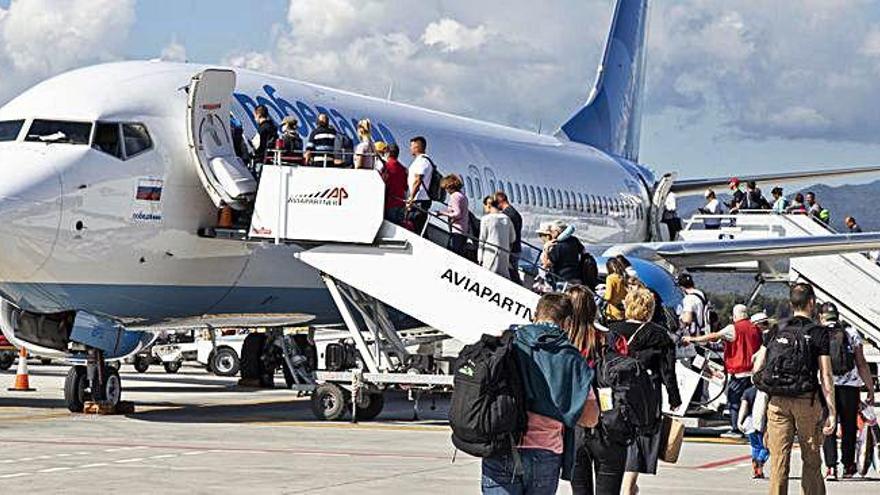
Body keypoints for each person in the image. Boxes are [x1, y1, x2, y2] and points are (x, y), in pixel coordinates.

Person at [481, 293, 598, 495]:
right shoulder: (570, 357)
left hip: (501, 444)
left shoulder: (508, 343)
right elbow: (591, 418)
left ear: (535, 315)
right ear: (568, 323)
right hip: (545, 450)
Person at [753, 283, 836, 495]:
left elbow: (758, 366)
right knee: (811, 458)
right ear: (812, 303)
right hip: (806, 401)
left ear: (791, 304)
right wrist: (832, 412)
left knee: (779, 460)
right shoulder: (819, 332)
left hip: (777, 401)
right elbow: (825, 374)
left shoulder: (776, 329)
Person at [611, 287, 682, 495]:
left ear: (627, 306)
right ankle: (627, 488)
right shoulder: (660, 336)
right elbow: (668, 371)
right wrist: (674, 397)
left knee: (616, 439)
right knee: (641, 440)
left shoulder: (612, 331)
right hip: (647, 396)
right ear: (649, 309)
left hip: (615, 394)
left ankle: (623, 487)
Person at [565, 285, 628, 495]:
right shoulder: (613, 339)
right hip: (610, 424)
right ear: (594, 308)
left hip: (573, 426)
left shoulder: (563, 342)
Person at [684, 304, 763, 439]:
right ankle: (751, 428)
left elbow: (714, 336)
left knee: (734, 402)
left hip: (738, 373)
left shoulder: (733, 328)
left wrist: (692, 339)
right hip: (753, 372)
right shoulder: (755, 328)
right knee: (750, 401)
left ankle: (735, 429)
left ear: (735, 315)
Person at [818, 302, 875, 480]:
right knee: (849, 427)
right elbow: (861, 363)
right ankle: (848, 466)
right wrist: (870, 388)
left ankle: (830, 467)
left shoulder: (818, 334)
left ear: (821, 316)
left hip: (827, 387)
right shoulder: (851, 333)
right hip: (850, 388)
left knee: (829, 426)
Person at [737, 385, 770, 479]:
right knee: (766, 446)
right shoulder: (767, 391)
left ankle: (756, 470)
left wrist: (739, 421)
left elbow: (743, 407)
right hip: (762, 423)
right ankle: (760, 462)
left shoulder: (748, 391)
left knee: (755, 446)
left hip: (749, 423)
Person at [539, 221, 585, 288]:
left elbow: (547, 264)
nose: (550, 234)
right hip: (576, 276)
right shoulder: (574, 240)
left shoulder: (557, 245)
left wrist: (546, 249)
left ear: (556, 232)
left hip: (562, 279)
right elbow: (583, 251)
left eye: (551, 231)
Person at [479, 196, 516, 277]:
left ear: (488, 205)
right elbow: (513, 238)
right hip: (504, 254)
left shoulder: (486, 219)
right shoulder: (507, 218)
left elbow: (482, 239)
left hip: (490, 254)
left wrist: (480, 258)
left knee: (488, 277)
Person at [405, 136, 434, 234]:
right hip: (419, 200)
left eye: (412, 146)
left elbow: (418, 180)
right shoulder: (420, 160)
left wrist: (411, 198)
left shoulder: (422, 161)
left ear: (418, 147)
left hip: (419, 201)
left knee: (417, 228)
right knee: (418, 228)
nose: (410, 149)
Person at [437, 175, 470, 258]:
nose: (446, 191)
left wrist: (442, 213)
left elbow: (457, 214)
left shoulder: (454, 196)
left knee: (452, 254)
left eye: (446, 188)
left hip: (457, 230)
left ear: (449, 186)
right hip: (463, 231)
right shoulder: (463, 196)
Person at [495, 191, 523, 284]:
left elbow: (509, 235)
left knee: (511, 274)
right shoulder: (515, 213)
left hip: (511, 249)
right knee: (513, 272)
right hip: (516, 248)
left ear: (500, 201)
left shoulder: (507, 215)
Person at [380, 143, 408, 225]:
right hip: (401, 202)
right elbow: (406, 187)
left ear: (387, 152)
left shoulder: (385, 166)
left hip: (389, 203)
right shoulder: (403, 169)